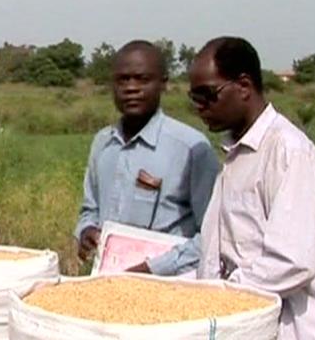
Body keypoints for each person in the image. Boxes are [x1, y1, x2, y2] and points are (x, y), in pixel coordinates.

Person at [192, 36, 315, 340]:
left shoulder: (288, 152)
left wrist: (224, 294)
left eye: (207, 95)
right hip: (239, 322)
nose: (200, 108)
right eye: (194, 98)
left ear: (244, 86)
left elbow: (291, 262)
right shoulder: (235, 155)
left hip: (287, 328)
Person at [74, 40, 219, 276]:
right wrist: (86, 230)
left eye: (142, 79)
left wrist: (153, 268)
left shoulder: (191, 148)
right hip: (108, 282)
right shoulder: (103, 143)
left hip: (169, 286)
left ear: (162, 84)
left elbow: (213, 236)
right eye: (123, 79)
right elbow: (90, 209)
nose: (131, 88)